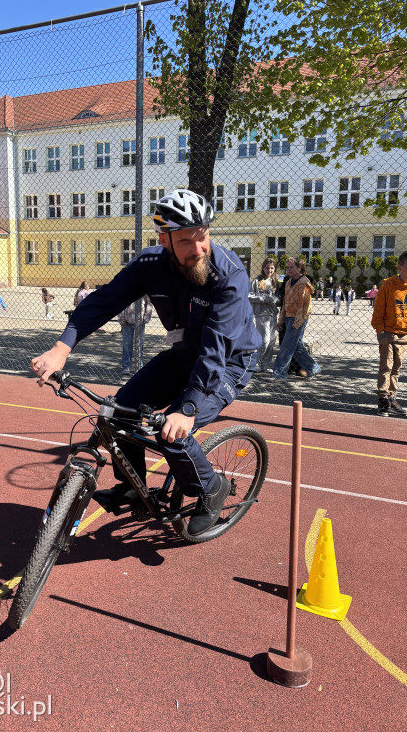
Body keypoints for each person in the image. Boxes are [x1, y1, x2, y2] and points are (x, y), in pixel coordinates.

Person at [30, 189, 261, 535]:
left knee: (172, 434)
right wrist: (61, 348)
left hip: (229, 361)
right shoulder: (150, 265)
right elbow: (104, 301)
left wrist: (188, 409)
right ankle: (131, 485)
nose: (199, 248)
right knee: (117, 413)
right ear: (164, 240)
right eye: (186, 241)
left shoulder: (229, 274)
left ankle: (212, 489)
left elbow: (216, 348)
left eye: (202, 236)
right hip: (184, 354)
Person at [371, 250, 407, 417]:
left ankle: (392, 397)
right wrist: (380, 331)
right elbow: (378, 310)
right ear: (400, 267)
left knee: (396, 368)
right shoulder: (388, 285)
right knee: (386, 367)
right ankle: (383, 400)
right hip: (388, 333)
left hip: (405, 334)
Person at [272, 257, 320, 381]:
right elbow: (285, 302)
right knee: (296, 345)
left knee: (286, 346)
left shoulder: (304, 283)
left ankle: (279, 373)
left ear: (299, 268)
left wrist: (298, 321)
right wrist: (281, 319)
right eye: (287, 267)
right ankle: (313, 368)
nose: (289, 270)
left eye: (292, 267)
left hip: (299, 317)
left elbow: (304, 305)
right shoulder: (289, 282)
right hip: (289, 316)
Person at [249, 258, 280, 372]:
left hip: (273, 314)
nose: (269, 270)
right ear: (263, 268)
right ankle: (254, 363)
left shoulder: (275, 281)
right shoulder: (257, 281)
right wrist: (263, 299)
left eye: (272, 268)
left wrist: (274, 300)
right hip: (261, 314)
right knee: (264, 340)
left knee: (271, 341)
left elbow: (278, 298)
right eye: (267, 268)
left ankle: (265, 365)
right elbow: (249, 295)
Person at [118, 295, 153, 378]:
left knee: (140, 343)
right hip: (127, 320)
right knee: (127, 344)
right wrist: (121, 318)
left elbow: (149, 303)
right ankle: (126, 366)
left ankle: (139, 365)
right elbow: (120, 302)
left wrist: (146, 317)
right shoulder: (125, 289)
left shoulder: (144, 291)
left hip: (140, 319)